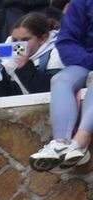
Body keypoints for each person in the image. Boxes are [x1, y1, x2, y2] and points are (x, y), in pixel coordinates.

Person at [31, 0, 93, 168]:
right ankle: (61, 143)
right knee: (60, 80)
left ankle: (80, 141)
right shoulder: (81, 3)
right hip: (86, 62)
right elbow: (66, 42)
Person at [0, 13, 58, 97]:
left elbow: (50, 93)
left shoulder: (56, 55)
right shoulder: (7, 59)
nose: (19, 45)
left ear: (43, 39)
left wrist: (25, 68)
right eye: (15, 40)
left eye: (25, 39)